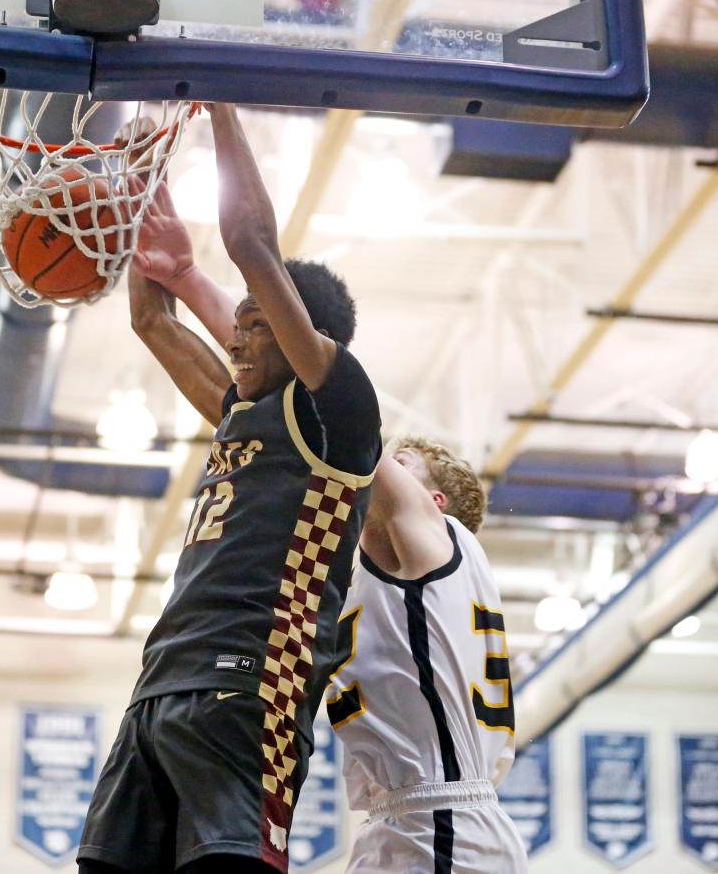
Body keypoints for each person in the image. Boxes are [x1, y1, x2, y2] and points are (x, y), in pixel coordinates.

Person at [76, 104, 381, 874]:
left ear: (308, 333)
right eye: (237, 324)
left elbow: (250, 245)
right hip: (160, 682)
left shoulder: (337, 416)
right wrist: (137, 174)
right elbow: (153, 318)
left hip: (251, 689)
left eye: (254, 321)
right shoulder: (240, 415)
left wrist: (215, 104)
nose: (236, 335)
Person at [327, 438, 528, 873]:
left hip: (442, 822)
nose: (382, 473)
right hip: (411, 820)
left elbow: (349, 435)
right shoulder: (396, 575)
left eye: (401, 465)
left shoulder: (432, 544)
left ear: (433, 503)